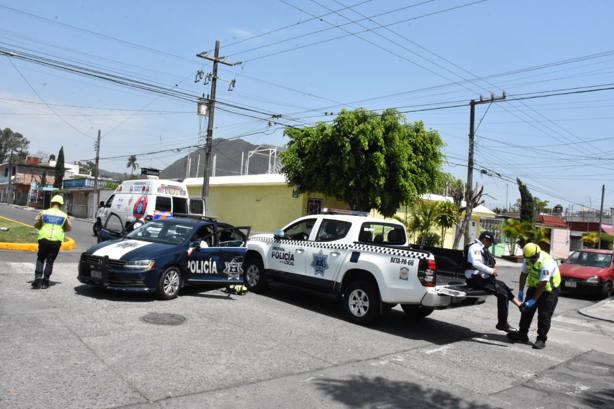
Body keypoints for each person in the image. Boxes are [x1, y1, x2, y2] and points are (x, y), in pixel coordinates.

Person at [465, 231, 523, 332]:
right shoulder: (475, 247)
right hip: (475, 280)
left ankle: (519, 305)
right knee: (502, 294)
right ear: (485, 240)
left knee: (503, 285)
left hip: (481, 278)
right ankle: (502, 323)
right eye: (490, 242)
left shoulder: (481, 247)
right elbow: (476, 263)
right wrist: (491, 271)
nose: (491, 244)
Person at [507, 243, 561, 350]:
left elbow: (543, 284)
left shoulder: (547, 262)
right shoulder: (528, 258)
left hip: (549, 290)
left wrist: (533, 300)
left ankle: (541, 339)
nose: (529, 261)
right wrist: (521, 290)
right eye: (528, 259)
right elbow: (523, 274)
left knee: (544, 315)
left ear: (537, 254)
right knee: (526, 311)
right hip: (534, 287)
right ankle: (522, 334)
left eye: (532, 259)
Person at [32, 194, 72, 289]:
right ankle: (45, 281)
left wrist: (41, 224)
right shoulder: (64, 215)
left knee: (41, 258)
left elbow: (36, 223)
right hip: (56, 240)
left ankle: (37, 278)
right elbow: (68, 228)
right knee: (50, 261)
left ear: (52, 203)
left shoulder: (44, 212)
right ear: (61, 204)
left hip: (43, 238)